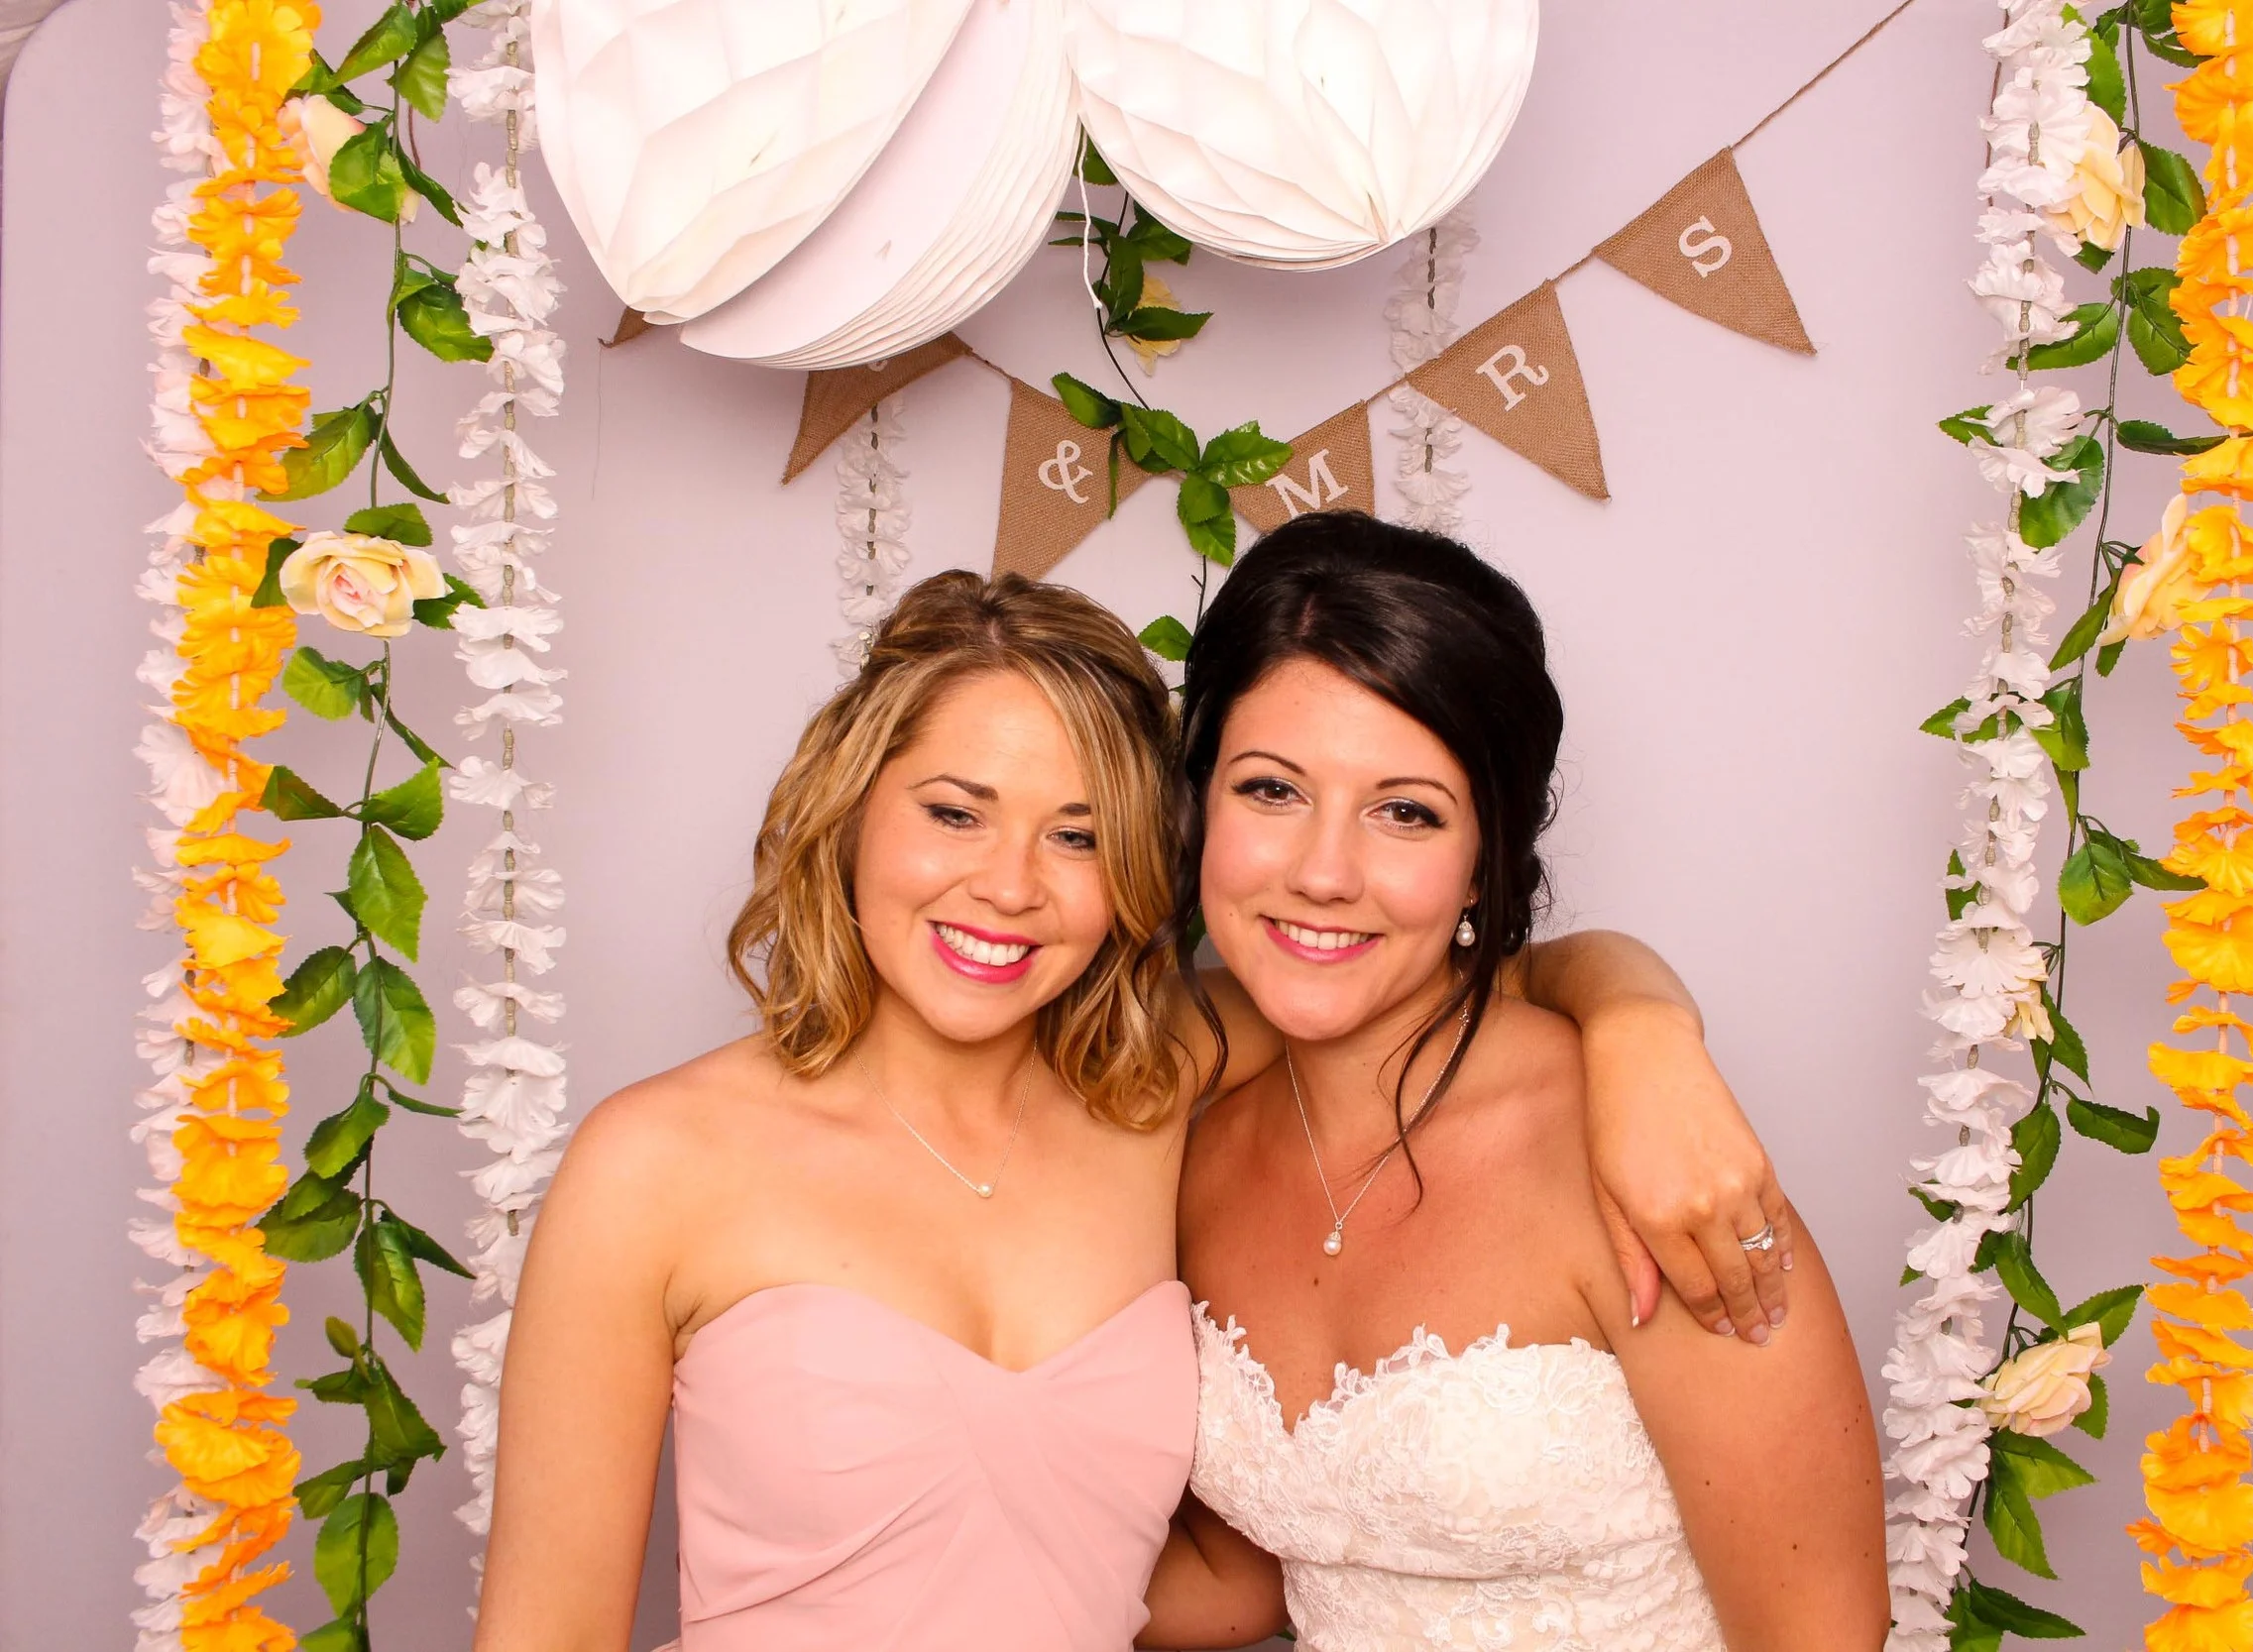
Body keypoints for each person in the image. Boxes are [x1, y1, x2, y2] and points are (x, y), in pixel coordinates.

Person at [473, 569, 1792, 1652]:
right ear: (851, 809)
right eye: (955, 811)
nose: (1009, 885)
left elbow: (1448, 973)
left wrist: (1642, 1027)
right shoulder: (654, 1162)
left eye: (1079, 834)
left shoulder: (1161, 1089)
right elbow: (546, 1632)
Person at [1145, 514, 1888, 1650]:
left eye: (1405, 811)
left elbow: (1819, 1635)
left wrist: (1641, 1020)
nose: (1323, 872)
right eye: (1271, 790)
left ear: (1484, 854)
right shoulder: (1186, 1139)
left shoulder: (1644, 1160)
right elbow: (1244, 1579)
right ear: (1198, 804)